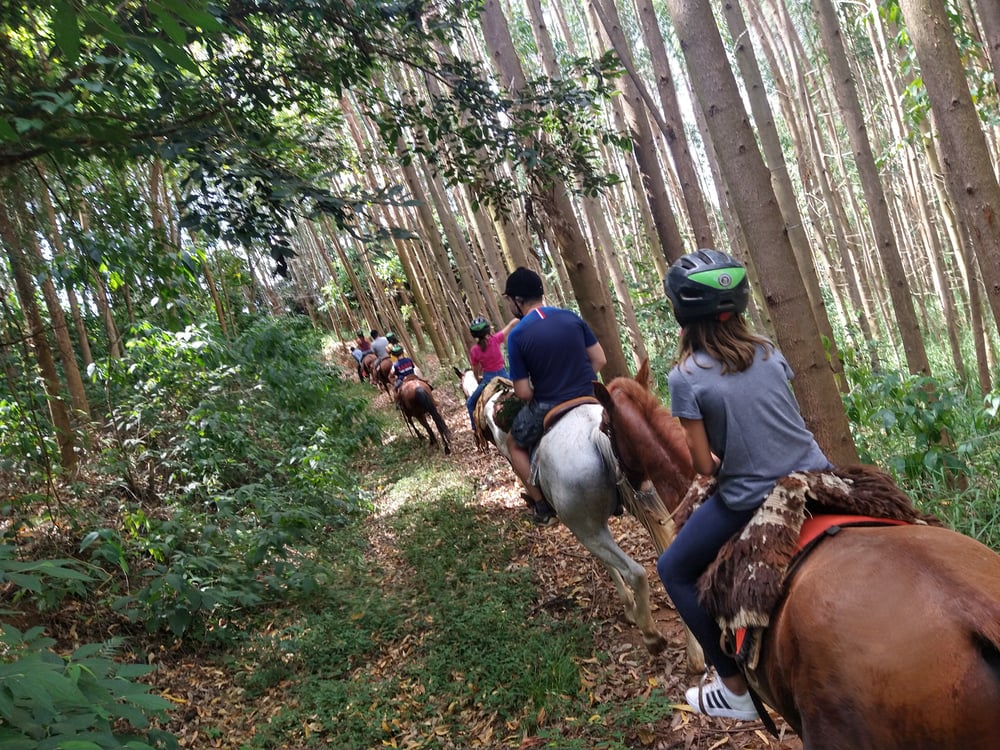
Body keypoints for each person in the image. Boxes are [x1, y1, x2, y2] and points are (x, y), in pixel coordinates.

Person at [655, 249, 832, 721]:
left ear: (682, 312)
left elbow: (705, 467)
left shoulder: (684, 377)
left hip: (753, 497)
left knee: (671, 567)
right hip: (818, 476)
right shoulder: (769, 351)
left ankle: (734, 690)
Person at [503, 267, 606, 526]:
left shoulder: (516, 335)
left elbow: (523, 392)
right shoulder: (570, 317)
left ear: (517, 300)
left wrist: (550, 388)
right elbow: (600, 359)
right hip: (588, 393)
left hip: (549, 401)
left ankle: (541, 506)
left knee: (512, 443)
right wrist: (578, 380)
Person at [466, 316, 518, 430]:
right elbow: (511, 325)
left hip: (487, 380)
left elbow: (475, 370)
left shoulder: (474, 350)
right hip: (504, 375)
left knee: (470, 403)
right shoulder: (495, 339)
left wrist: (478, 378)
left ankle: (475, 428)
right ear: (488, 330)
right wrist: (520, 318)